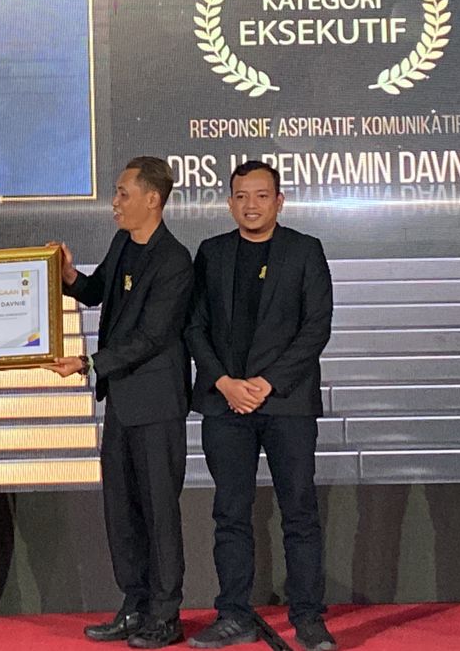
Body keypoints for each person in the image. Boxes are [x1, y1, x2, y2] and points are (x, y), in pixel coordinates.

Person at [183, 161, 335, 651]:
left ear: (279, 201)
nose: (251, 205)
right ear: (230, 203)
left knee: (300, 514)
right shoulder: (211, 253)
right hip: (225, 404)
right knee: (230, 514)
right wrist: (225, 382)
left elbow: (316, 326)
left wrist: (267, 383)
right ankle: (234, 615)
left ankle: (308, 617)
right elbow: (194, 326)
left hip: (287, 403)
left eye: (261, 195)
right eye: (242, 196)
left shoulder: (305, 250)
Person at [46, 156, 194, 649]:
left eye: (123, 193)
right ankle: (134, 605)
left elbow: (152, 336)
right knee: (122, 510)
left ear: (153, 199)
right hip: (123, 403)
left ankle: (165, 615)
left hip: (157, 405)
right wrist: (68, 274)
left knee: (159, 512)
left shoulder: (174, 260)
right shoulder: (123, 244)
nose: (114, 202)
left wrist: (89, 363)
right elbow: (95, 292)